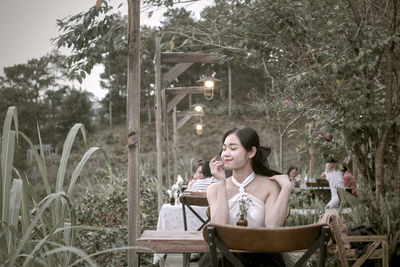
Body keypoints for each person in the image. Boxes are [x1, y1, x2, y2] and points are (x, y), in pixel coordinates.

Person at [206, 126, 292, 266]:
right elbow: (218, 228)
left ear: (251, 152)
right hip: (225, 258)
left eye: (233, 148)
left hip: (263, 258)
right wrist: (221, 183)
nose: (226, 153)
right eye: (224, 148)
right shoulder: (214, 189)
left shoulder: (270, 185)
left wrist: (286, 188)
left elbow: (273, 226)